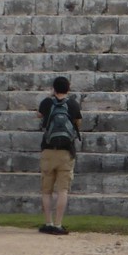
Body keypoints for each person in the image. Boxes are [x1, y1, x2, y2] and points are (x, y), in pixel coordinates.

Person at [37, 75, 82, 235]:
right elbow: (78, 123)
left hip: (48, 150)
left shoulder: (47, 102)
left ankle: (47, 222)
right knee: (63, 190)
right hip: (66, 151)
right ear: (68, 88)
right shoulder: (73, 104)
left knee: (46, 190)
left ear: (54, 88)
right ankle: (58, 224)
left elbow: (39, 116)